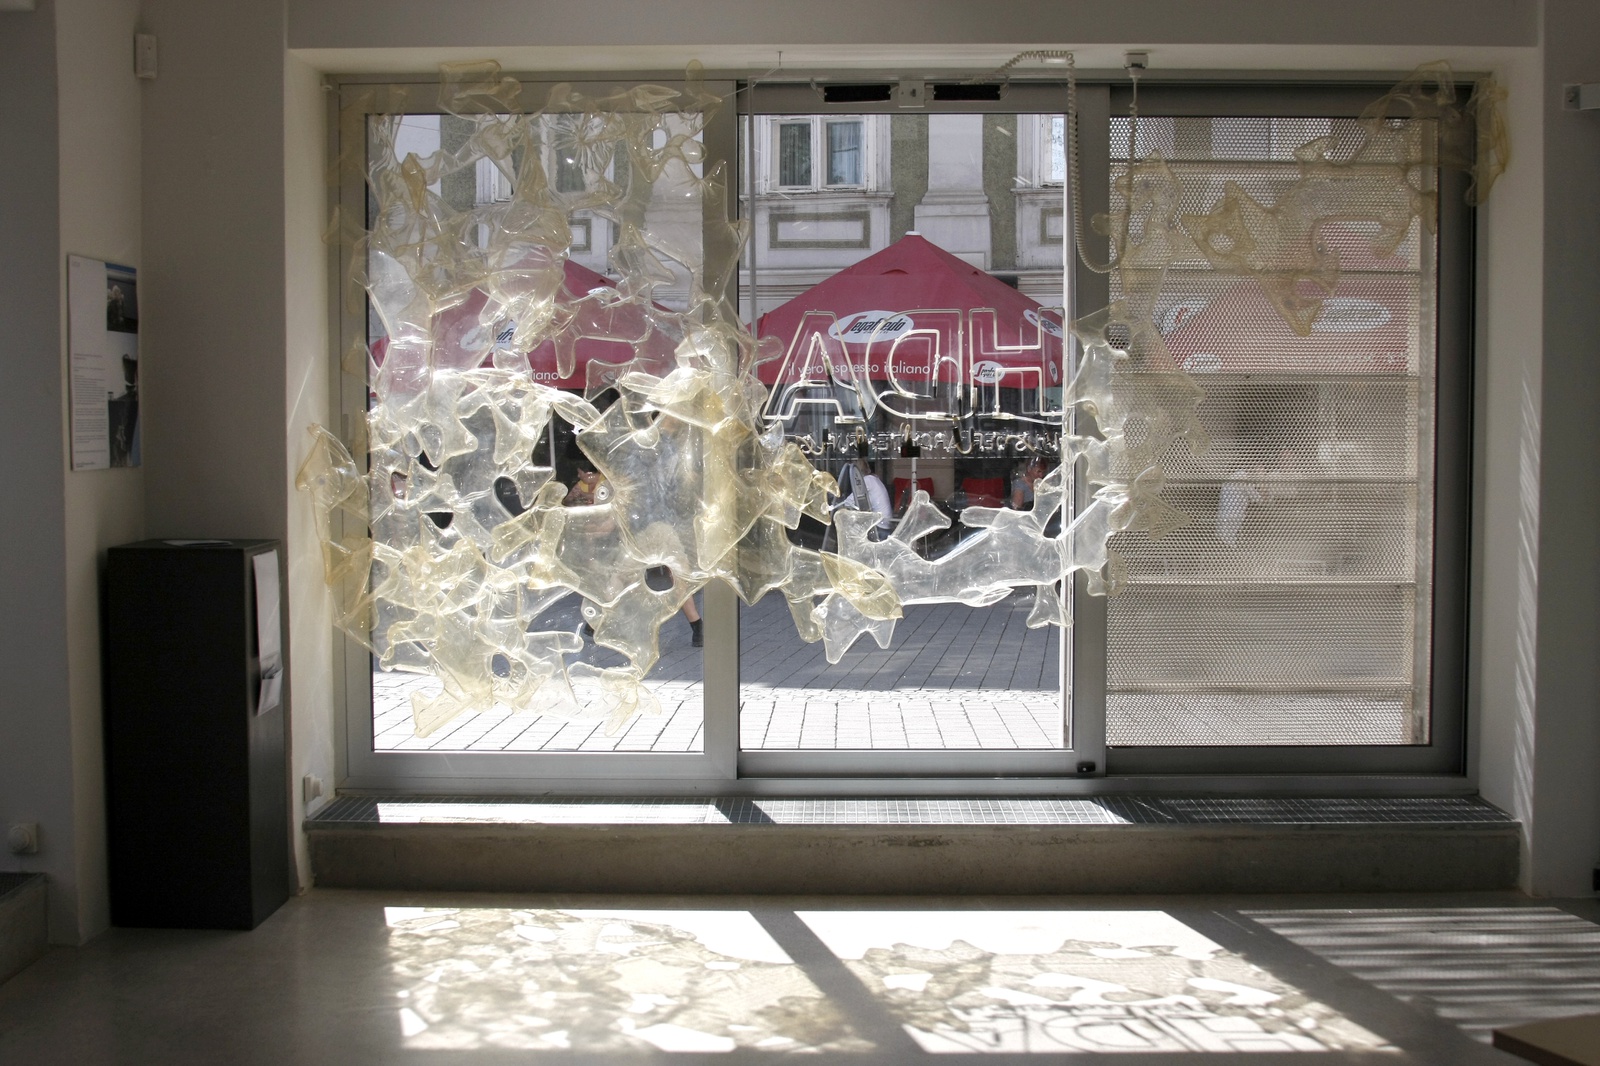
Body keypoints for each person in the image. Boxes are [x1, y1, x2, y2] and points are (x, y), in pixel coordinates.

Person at [835, 458, 893, 541]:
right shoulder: (874, 479)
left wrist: (838, 504)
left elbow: (849, 501)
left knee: (852, 533)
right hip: (885, 524)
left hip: (880, 527)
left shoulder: (867, 480)